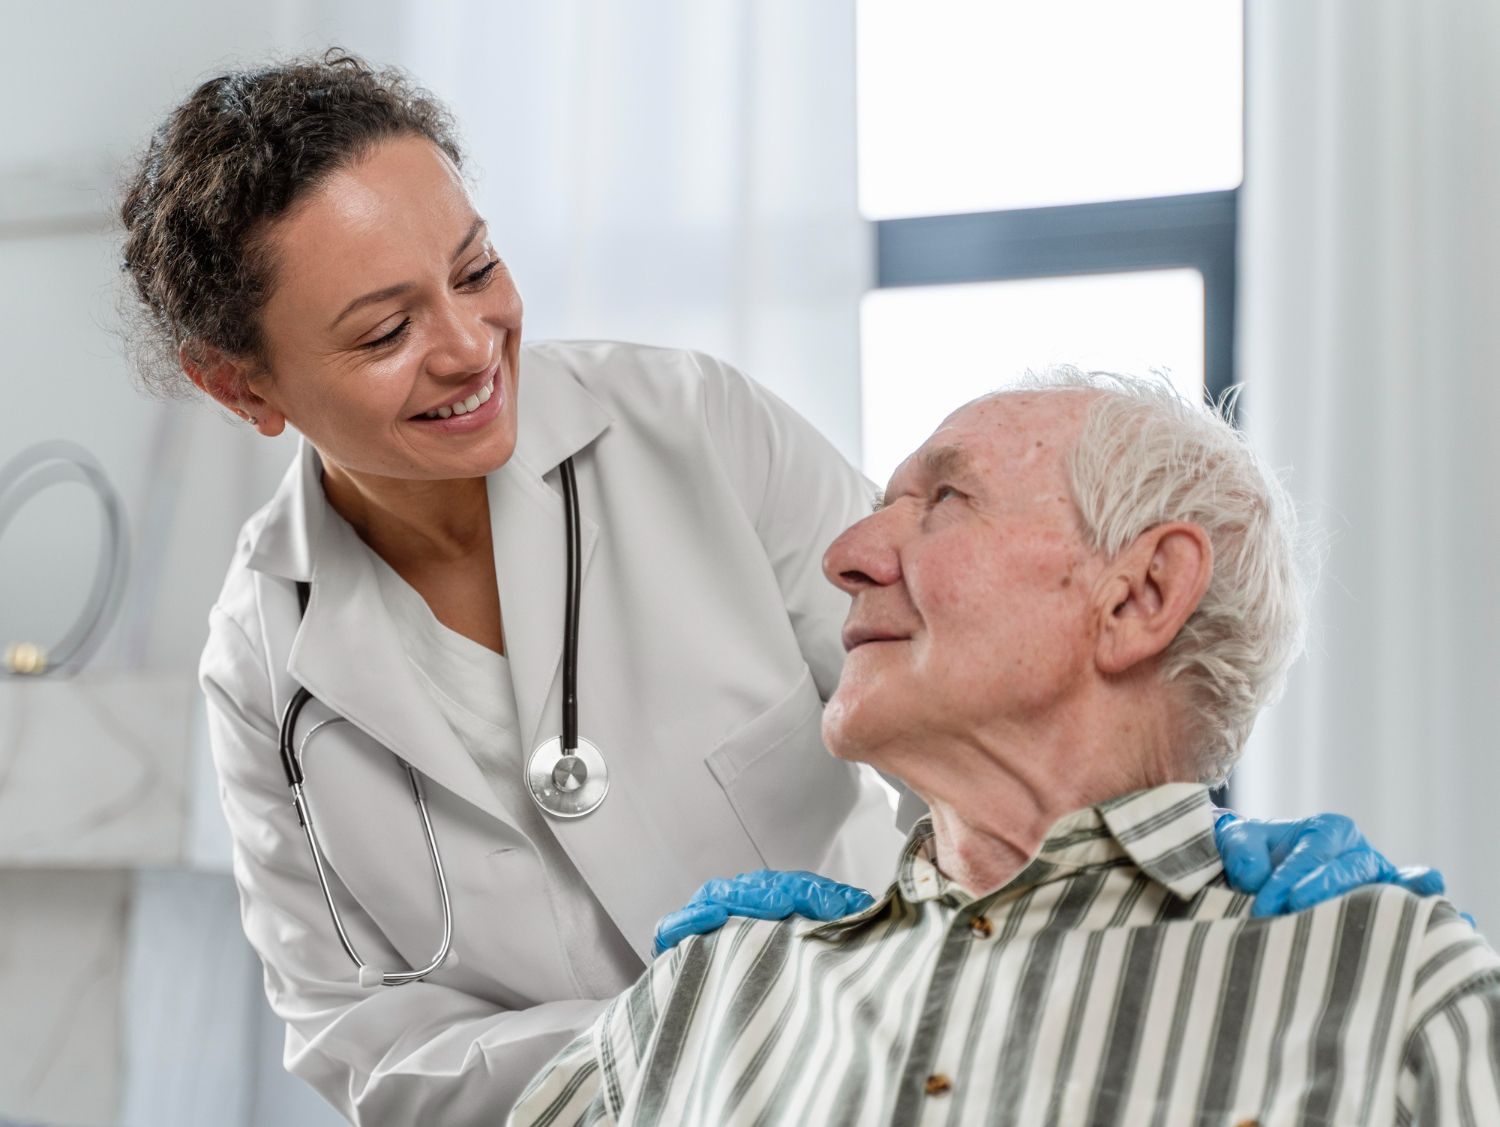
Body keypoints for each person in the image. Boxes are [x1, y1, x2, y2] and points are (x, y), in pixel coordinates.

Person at [116, 52, 1444, 1123]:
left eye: (475, 269)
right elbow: (369, 1045)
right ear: (244, 388)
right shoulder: (263, 658)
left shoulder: (694, 427)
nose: (471, 346)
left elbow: (977, 689)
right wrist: (724, 1027)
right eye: (387, 329)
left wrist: (1176, 883)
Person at [512, 371, 1499, 1127]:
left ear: (1141, 594)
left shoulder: (1387, 989)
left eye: (944, 499)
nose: (846, 552)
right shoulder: (707, 997)